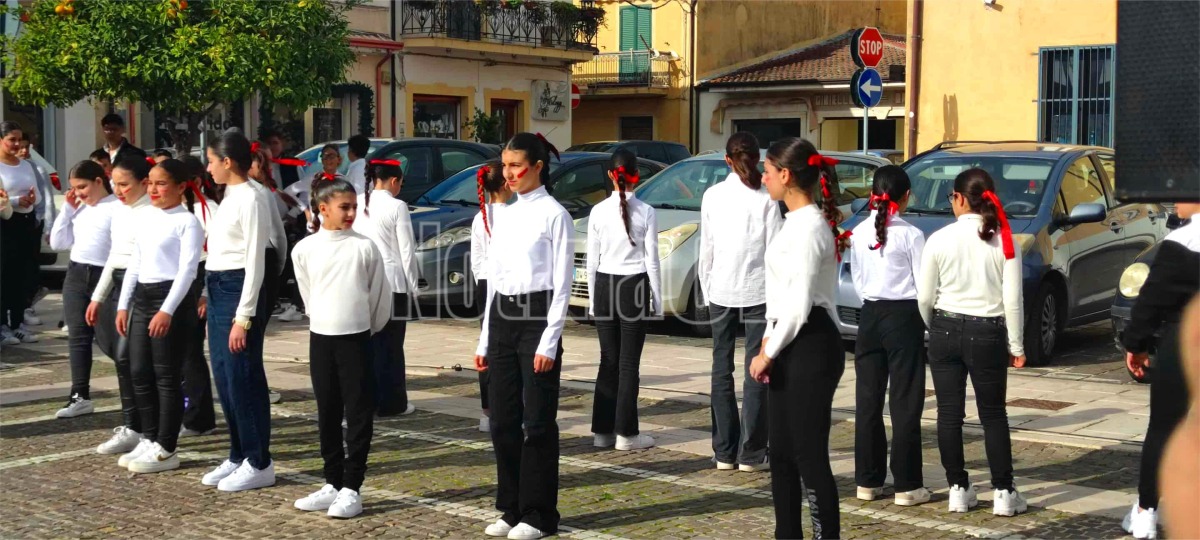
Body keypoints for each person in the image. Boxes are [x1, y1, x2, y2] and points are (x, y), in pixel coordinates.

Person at [473, 132, 570, 540]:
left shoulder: (554, 214)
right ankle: (510, 507)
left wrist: (549, 339)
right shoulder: (503, 214)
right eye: (505, 165)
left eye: (516, 165)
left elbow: (564, 282)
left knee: (537, 422)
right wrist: (483, 339)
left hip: (537, 316)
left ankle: (538, 512)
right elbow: (495, 279)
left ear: (537, 167)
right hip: (501, 319)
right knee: (503, 420)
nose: (508, 173)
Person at [747, 138, 845, 539]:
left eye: (767, 171)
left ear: (786, 176)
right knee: (782, 454)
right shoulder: (792, 222)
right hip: (789, 340)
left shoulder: (809, 228)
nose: (762, 178)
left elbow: (800, 302)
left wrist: (768, 351)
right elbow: (781, 297)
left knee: (808, 455)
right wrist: (768, 342)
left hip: (811, 343)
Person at [918, 167, 1027, 516]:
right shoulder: (1005, 240)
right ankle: (1003, 492)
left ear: (961, 199)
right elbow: (1013, 298)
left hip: (944, 327)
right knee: (993, 414)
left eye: (952, 197)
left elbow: (924, 296)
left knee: (949, 414)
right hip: (988, 330)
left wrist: (932, 324)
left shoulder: (939, 238)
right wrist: (1018, 345)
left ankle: (957, 487)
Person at [290, 176, 389, 519]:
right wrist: (322, 319)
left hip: (356, 338)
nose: (350, 213)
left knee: (358, 412)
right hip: (321, 338)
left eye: (354, 207)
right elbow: (307, 294)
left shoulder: (364, 247)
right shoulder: (304, 249)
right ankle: (332, 481)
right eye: (343, 207)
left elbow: (379, 298)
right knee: (327, 411)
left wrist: (364, 328)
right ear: (323, 209)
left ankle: (352, 486)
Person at [114, 159, 204, 474]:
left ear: (181, 187)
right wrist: (124, 303)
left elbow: (187, 270)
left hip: (172, 300)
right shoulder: (147, 217)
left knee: (166, 375)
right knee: (138, 370)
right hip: (142, 296)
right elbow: (136, 262)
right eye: (150, 182)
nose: (153, 189)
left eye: (161, 183)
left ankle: (167, 446)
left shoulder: (187, 222)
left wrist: (167, 309)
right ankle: (149, 436)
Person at [698, 131, 782, 472]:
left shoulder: (712, 195)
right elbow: (775, 251)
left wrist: (706, 290)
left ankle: (724, 451)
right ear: (757, 158)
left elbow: (708, 248)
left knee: (721, 368)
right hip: (759, 290)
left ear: (727, 160)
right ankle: (751, 451)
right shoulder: (766, 198)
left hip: (721, 288)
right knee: (757, 370)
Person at [848, 165, 931, 506]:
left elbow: (855, 279)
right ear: (905, 196)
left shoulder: (857, 231)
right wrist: (926, 322)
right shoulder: (911, 234)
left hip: (869, 315)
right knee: (905, 401)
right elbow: (923, 287)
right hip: (904, 315)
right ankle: (907, 484)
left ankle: (868, 480)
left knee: (867, 401)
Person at [200, 130, 277, 492]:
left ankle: (259, 460)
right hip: (218, 287)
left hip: (238, 289)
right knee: (225, 375)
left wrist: (243, 317)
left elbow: (255, 262)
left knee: (243, 375)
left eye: (211, 160)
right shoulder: (229, 195)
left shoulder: (253, 198)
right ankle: (238, 453)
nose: (208, 167)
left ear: (227, 161)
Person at [1121, 201, 1199, 539]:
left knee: (1164, 429)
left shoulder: (1180, 243)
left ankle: (1146, 513)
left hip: (1182, 341)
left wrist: (1135, 345)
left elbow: (1150, 301)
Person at [586, 148, 661, 452]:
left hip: (604, 283)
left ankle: (602, 432)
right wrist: (656, 298)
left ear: (610, 175)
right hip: (634, 285)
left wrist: (592, 300)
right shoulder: (647, 211)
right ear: (637, 176)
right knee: (629, 363)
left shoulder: (597, 211)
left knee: (608, 360)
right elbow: (652, 260)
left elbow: (591, 261)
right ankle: (626, 434)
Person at [87, 157, 157, 453]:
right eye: (114, 183)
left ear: (144, 183)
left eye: (125, 184)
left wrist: (126, 301)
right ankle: (132, 424)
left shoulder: (152, 214)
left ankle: (148, 429)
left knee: (134, 360)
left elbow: (141, 263)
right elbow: (114, 257)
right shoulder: (120, 211)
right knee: (121, 359)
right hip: (118, 285)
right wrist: (98, 297)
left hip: (141, 290)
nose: (118, 189)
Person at [49, 161, 119, 418]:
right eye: (73, 188)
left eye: (82, 186)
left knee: (111, 341)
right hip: (77, 274)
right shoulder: (79, 209)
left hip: (106, 275)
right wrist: (67, 210)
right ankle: (79, 395)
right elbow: (58, 242)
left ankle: (136, 393)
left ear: (99, 181)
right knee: (77, 338)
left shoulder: (116, 207)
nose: (78, 193)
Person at [354, 158, 420, 417]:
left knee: (365, 344)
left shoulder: (358, 201)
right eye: (400, 183)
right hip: (392, 282)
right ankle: (393, 402)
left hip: (362, 280)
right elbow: (407, 250)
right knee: (391, 346)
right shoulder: (397, 206)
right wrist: (414, 286)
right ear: (394, 181)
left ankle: (365, 400)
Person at [180, 157, 220, 437]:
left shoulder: (210, 210)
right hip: (173, 280)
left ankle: (199, 415)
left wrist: (205, 292)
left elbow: (216, 255)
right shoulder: (169, 210)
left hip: (200, 277)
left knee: (191, 351)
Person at [470, 161, 509, 433]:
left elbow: (476, 260)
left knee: (487, 346)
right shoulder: (513, 214)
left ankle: (487, 411)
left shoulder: (479, 217)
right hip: (507, 284)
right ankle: (507, 406)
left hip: (484, 282)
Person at [0, 121, 43, 346]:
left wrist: (32, 201)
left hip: (25, 223)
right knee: (4, 275)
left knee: (21, 273)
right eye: (11, 140)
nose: (17, 145)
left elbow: (36, 191)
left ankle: (17, 324)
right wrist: (15, 200)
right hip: (4, 224)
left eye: (19, 140)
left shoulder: (26, 165)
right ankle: (2, 326)